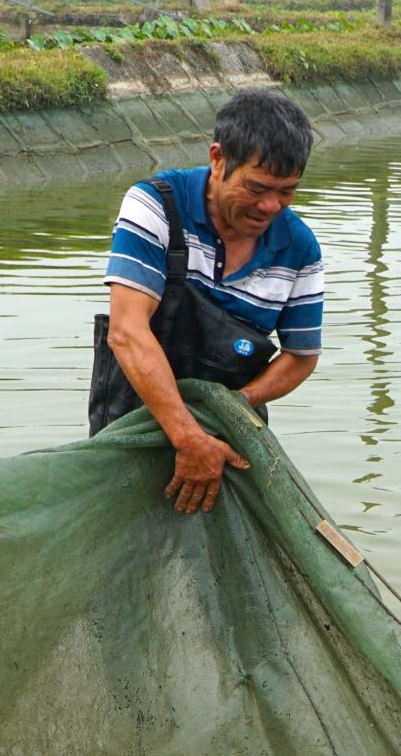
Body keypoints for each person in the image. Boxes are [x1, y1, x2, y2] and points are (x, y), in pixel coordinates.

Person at [93, 90, 323, 516]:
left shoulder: (300, 248)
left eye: (287, 191)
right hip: (129, 427)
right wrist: (187, 437)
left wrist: (233, 408)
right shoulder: (156, 206)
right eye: (256, 187)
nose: (270, 206)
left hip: (226, 445)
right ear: (217, 159)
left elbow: (301, 356)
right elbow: (127, 332)